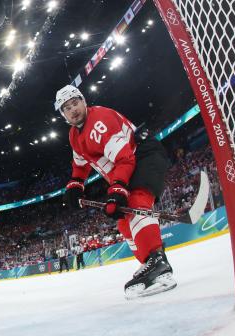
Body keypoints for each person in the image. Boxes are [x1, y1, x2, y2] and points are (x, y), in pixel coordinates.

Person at [56, 84, 175, 299]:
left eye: (75, 103)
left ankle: (158, 263)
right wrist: (75, 185)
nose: (73, 109)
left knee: (135, 202)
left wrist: (118, 188)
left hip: (143, 156)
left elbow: (124, 158)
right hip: (127, 166)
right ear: (63, 115)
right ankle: (153, 263)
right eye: (66, 108)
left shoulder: (99, 121)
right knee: (122, 219)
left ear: (84, 101)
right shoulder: (74, 135)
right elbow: (81, 165)